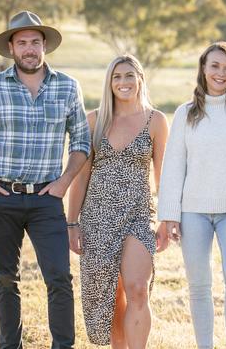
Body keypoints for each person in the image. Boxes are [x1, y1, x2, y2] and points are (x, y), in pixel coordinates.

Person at [0, 10, 90, 349]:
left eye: (35, 41)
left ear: (44, 45)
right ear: (11, 48)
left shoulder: (68, 87)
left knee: (59, 277)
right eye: (23, 43)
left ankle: (63, 345)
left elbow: (81, 143)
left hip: (47, 199)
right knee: (5, 278)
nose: (29, 48)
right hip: (2, 196)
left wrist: (63, 183)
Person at [157, 42, 226, 349]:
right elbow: (174, 167)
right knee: (199, 285)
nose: (221, 73)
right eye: (215, 66)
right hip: (193, 213)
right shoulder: (186, 113)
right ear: (203, 68)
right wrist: (170, 215)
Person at [66, 54, 169, 348]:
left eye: (129, 76)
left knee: (137, 288)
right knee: (110, 294)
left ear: (140, 80)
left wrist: (166, 219)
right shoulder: (95, 121)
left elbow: (164, 179)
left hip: (138, 215)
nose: (123, 82)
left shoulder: (156, 121)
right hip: (97, 217)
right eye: (117, 77)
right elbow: (81, 176)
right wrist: (72, 223)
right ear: (109, 83)